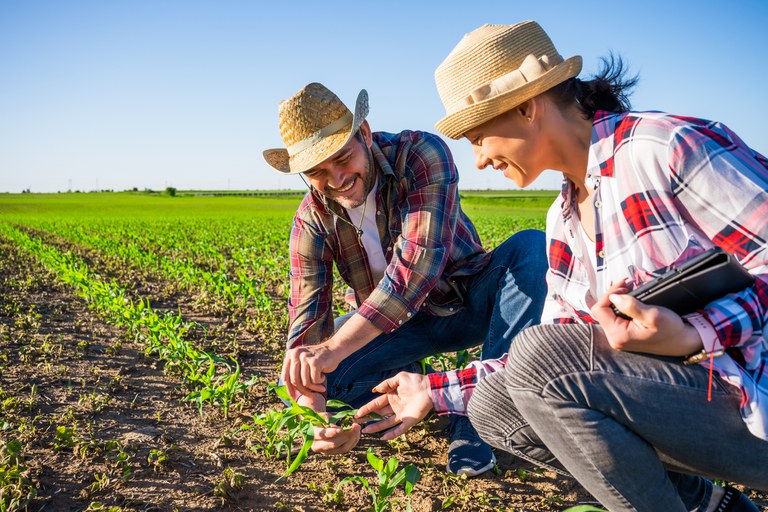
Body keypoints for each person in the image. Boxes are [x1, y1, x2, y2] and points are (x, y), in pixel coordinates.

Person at [356, 21, 768, 511]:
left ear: (527, 106)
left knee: (538, 358)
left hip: (750, 396)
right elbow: (553, 353)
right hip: (692, 407)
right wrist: (433, 389)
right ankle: (708, 504)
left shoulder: (663, 147)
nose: (480, 160)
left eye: (478, 137)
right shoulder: (564, 218)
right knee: (495, 407)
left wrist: (694, 333)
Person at [262, 82, 548, 475]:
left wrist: (332, 351)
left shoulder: (419, 154)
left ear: (364, 133)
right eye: (317, 172)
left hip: (463, 304)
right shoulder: (312, 219)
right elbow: (306, 319)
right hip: (392, 330)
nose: (337, 178)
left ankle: (476, 416)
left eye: (343, 158)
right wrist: (315, 414)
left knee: (531, 248)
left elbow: (416, 269)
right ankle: (412, 386)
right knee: (304, 383)